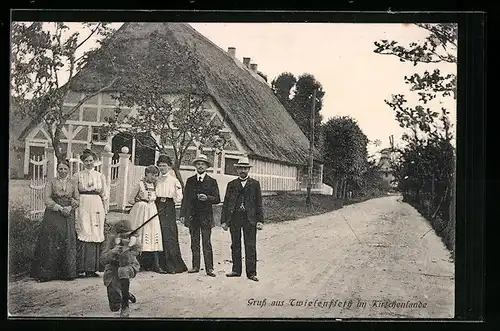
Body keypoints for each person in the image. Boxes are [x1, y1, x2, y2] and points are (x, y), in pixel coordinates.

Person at [30, 159, 78, 282]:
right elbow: (47, 199)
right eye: (60, 169)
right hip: (53, 214)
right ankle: (46, 274)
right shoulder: (51, 182)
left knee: (67, 240)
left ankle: (66, 273)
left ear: (69, 170)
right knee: (51, 241)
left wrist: (70, 206)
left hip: (68, 215)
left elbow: (77, 199)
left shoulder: (72, 183)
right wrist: (60, 208)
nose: (62, 171)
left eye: (65, 169)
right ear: (57, 170)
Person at [220, 156, 264, 282]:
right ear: (237, 170)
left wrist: (260, 221)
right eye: (240, 168)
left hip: (250, 219)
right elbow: (226, 203)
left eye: (245, 168)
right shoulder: (231, 185)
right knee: (235, 244)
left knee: (250, 245)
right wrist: (224, 221)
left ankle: (251, 273)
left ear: (248, 170)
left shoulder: (255, 184)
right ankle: (236, 270)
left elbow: (258, 203)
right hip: (235, 218)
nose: (243, 171)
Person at [180, 154, 220, 277]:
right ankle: (195, 266)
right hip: (193, 216)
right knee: (194, 241)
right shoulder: (190, 181)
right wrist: (183, 214)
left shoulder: (212, 181)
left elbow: (217, 199)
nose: (200, 166)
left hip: (206, 217)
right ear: (195, 166)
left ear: (207, 166)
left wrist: (207, 198)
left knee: (206, 242)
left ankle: (209, 268)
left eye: (203, 164)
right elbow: (185, 199)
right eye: (198, 164)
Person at [73, 148, 109, 278]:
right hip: (83, 204)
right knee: (84, 230)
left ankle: (92, 268)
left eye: (91, 160)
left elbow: (104, 194)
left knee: (95, 232)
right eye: (86, 161)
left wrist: (105, 209)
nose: (89, 163)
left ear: (95, 161)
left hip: (97, 204)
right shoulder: (77, 175)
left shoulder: (100, 176)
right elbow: (75, 193)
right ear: (83, 162)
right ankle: (80, 267)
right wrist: (76, 206)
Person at [128, 165, 167, 274]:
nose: (154, 177)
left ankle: (156, 265)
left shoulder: (155, 185)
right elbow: (130, 199)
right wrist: (140, 201)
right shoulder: (139, 184)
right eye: (153, 175)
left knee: (152, 234)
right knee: (139, 234)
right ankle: (136, 264)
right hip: (140, 211)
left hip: (152, 210)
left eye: (156, 176)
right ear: (147, 174)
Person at [100, 218, 140, 318]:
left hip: (128, 265)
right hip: (113, 267)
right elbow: (102, 259)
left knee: (123, 271)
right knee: (114, 307)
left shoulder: (134, 241)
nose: (123, 237)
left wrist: (127, 248)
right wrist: (112, 251)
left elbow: (132, 258)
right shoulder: (111, 239)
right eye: (121, 235)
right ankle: (124, 293)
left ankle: (125, 305)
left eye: (126, 234)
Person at [155, 154, 188, 274]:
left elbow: (179, 197)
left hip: (168, 207)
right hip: (156, 205)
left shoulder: (174, 181)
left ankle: (172, 265)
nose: (162, 168)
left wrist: (173, 199)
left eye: (164, 166)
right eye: (160, 166)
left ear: (169, 167)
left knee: (169, 234)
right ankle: (158, 264)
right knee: (157, 232)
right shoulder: (156, 180)